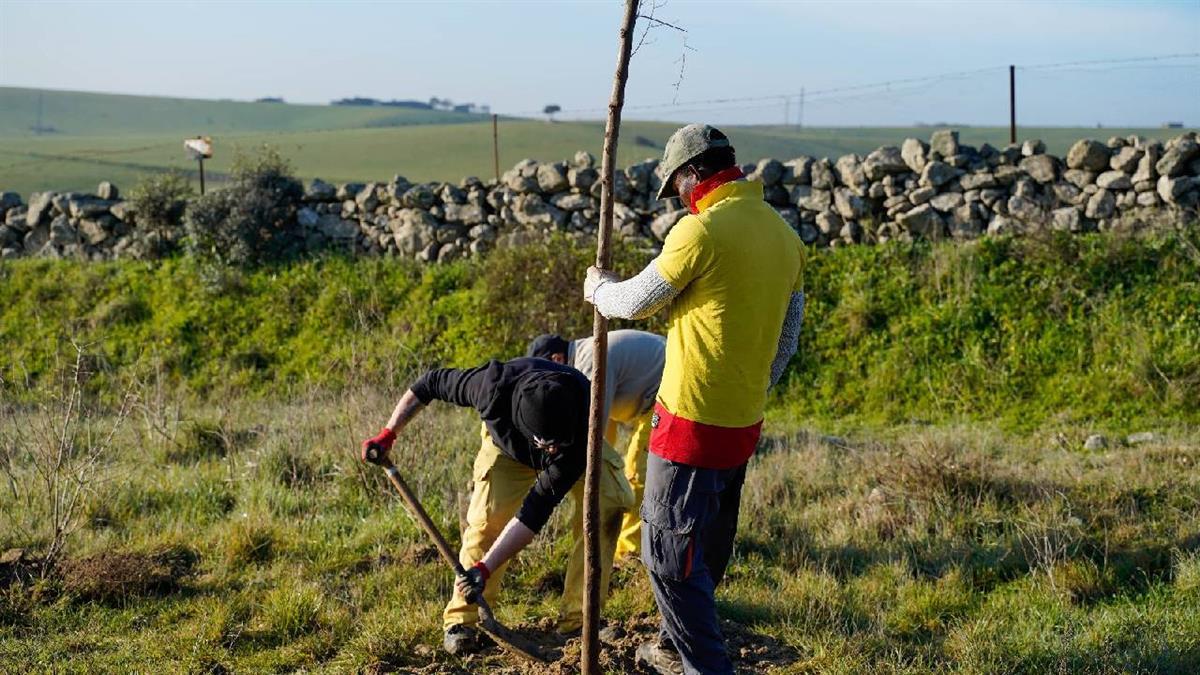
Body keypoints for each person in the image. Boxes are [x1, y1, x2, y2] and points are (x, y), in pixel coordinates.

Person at [583, 123, 805, 674]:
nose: (676, 199)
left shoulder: (699, 231)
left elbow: (636, 301)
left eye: (675, 186)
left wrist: (597, 290)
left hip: (689, 423)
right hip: (742, 422)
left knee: (666, 558)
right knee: (705, 545)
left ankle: (704, 666)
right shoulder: (784, 236)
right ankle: (668, 643)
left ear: (691, 175)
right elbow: (789, 336)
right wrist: (754, 387)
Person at [360, 357, 634, 655]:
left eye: (559, 443)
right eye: (547, 445)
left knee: (606, 506)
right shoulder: (490, 388)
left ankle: (580, 621)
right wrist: (389, 433)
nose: (553, 451)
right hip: (506, 450)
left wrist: (485, 567)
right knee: (489, 519)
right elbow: (428, 384)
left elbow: (534, 514)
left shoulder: (582, 417)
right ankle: (464, 620)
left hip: (579, 449)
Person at [527, 329, 667, 560]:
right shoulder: (581, 360)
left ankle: (628, 553)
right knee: (594, 466)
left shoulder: (590, 364)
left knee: (636, 471)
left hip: (664, 397)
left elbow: (593, 426)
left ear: (557, 359)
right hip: (630, 399)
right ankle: (597, 540)